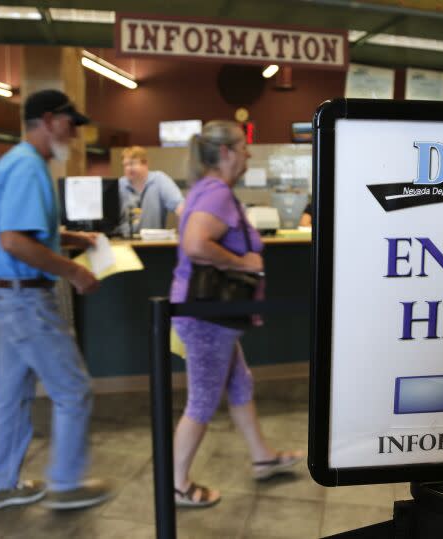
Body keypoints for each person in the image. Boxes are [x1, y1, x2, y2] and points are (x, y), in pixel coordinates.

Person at [0, 89, 108, 512]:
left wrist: (73, 238)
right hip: (26, 300)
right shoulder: (29, 167)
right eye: (71, 123)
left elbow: (21, 230)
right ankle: (66, 485)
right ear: (49, 119)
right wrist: (73, 270)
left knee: (12, 394)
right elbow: (14, 241)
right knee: (73, 389)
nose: (74, 133)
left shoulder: (14, 162)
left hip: (7, 297)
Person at [169, 120, 304, 508]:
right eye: (244, 148)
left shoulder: (206, 190)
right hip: (207, 316)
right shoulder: (217, 193)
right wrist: (243, 262)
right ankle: (177, 485)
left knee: (239, 381)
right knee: (203, 400)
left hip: (206, 314)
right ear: (226, 152)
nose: (248, 154)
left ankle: (262, 456)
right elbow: (196, 243)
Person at [118, 146, 184, 235]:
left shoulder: (159, 180)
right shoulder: (119, 184)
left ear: (145, 164)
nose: (128, 168)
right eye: (125, 165)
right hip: (123, 241)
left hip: (152, 243)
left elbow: (179, 206)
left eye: (132, 163)